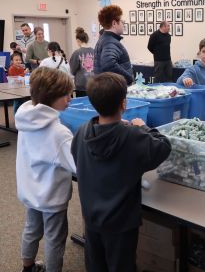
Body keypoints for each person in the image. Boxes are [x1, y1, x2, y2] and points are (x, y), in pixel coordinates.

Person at [71, 72, 171, 272]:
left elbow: (76, 156)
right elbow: (164, 147)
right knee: (122, 266)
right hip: (121, 223)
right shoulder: (133, 136)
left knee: (95, 264)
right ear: (124, 104)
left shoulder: (82, 131)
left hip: (91, 216)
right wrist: (143, 127)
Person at [15, 66, 76, 272]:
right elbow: (78, 165)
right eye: (66, 95)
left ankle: (28, 266)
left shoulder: (25, 118)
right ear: (51, 97)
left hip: (31, 190)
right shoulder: (59, 133)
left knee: (31, 229)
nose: (70, 98)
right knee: (55, 239)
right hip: (52, 196)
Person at [94, 5, 133, 85]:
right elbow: (109, 64)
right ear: (114, 23)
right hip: (113, 91)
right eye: (123, 22)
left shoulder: (105, 39)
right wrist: (128, 78)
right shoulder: (110, 41)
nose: (123, 25)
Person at [70, 27, 94, 97]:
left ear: (78, 40)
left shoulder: (77, 53)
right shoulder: (94, 51)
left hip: (81, 85)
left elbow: (72, 70)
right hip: (93, 84)